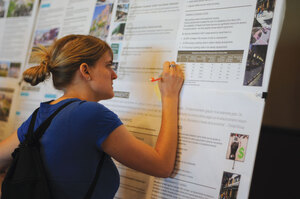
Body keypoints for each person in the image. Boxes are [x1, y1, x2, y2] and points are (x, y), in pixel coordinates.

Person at [0, 34, 184, 198]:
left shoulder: (42, 114)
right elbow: (162, 165)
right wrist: (169, 95)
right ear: (85, 70)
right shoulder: (90, 114)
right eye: (108, 65)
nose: (114, 75)